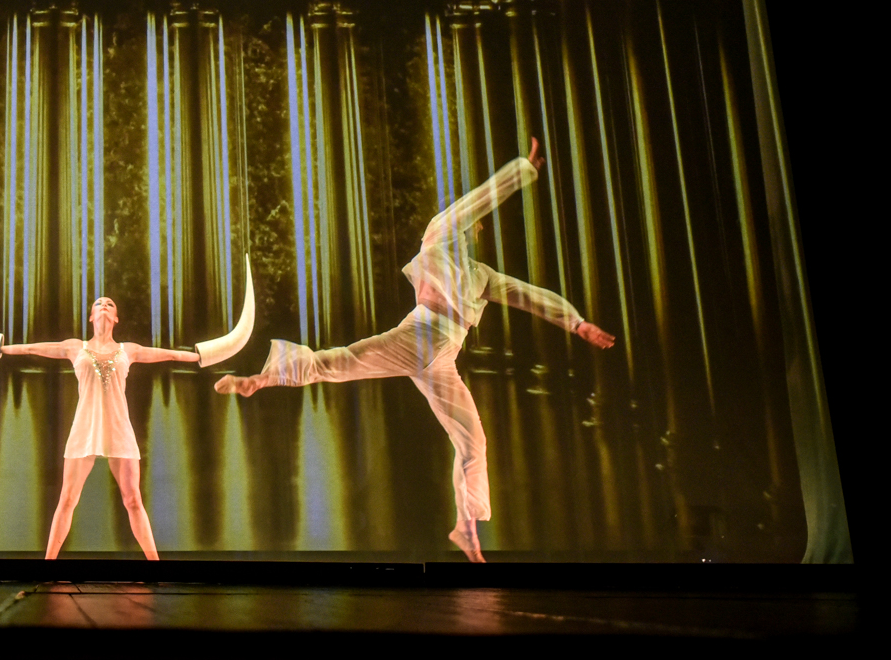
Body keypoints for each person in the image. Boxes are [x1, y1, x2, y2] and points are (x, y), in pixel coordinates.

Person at [214, 137, 615, 562]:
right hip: (418, 337)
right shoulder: (439, 236)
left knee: (473, 441)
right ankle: (261, 379)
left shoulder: (481, 275)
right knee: (341, 362)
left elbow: (529, 295)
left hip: (442, 361)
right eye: (475, 222)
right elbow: (481, 199)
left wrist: (576, 323)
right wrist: (524, 171)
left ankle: (466, 527)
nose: (479, 226)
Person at [3, 297, 199, 560]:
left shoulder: (129, 350)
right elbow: (30, 349)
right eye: (98, 304)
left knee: (133, 500)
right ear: (91, 317)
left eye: (110, 304)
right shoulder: (75, 347)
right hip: (85, 427)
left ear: (116, 318)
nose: (104, 304)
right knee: (67, 499)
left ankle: (156, 567)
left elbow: (172, 354)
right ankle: (48, 566)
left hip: (119, 428)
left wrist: (203, 356)